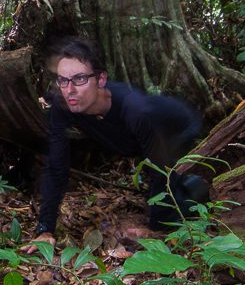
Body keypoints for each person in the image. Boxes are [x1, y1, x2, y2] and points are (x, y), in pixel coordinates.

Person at [29, 37, 209, 248]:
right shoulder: (63, 105)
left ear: (101, 80)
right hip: (138, 142)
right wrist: (45, 229)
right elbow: (56, 167)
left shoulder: (135, 110)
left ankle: (199, 187)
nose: (70, 90)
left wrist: (155, 228)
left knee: (172, 203)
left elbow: (161, 168)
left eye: (79, 79)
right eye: (63, 80)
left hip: (178, 128)